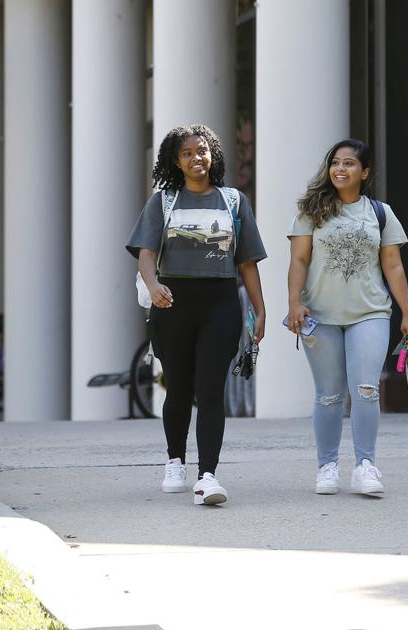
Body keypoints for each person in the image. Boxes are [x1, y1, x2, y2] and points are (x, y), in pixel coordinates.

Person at [126, 123, 267, 506]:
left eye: (201, 150)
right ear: (176, 160)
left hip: (220, 302)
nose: (196, 157)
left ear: (213, 154)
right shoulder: (164, 201)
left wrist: (259, 308)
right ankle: (175, 460)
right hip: (173, 302)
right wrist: (153, 286)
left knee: (210, 391)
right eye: (187, 153)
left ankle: (207, 475)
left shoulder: (234, 201)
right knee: (179, 388)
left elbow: (248, 260)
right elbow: (146, 253)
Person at [287, 139, 408, 496]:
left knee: (366, 389)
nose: (340, 169)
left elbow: (393, 265)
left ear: (365, 172)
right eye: (335, 163)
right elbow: (298, 260)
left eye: (349, 163)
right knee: (329, 395)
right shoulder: (311, 212)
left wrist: (407, 313)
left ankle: (365, 466)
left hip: (370, 313)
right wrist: (294, 303)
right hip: (321, 315)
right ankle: (327, 466)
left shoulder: (380, 213)